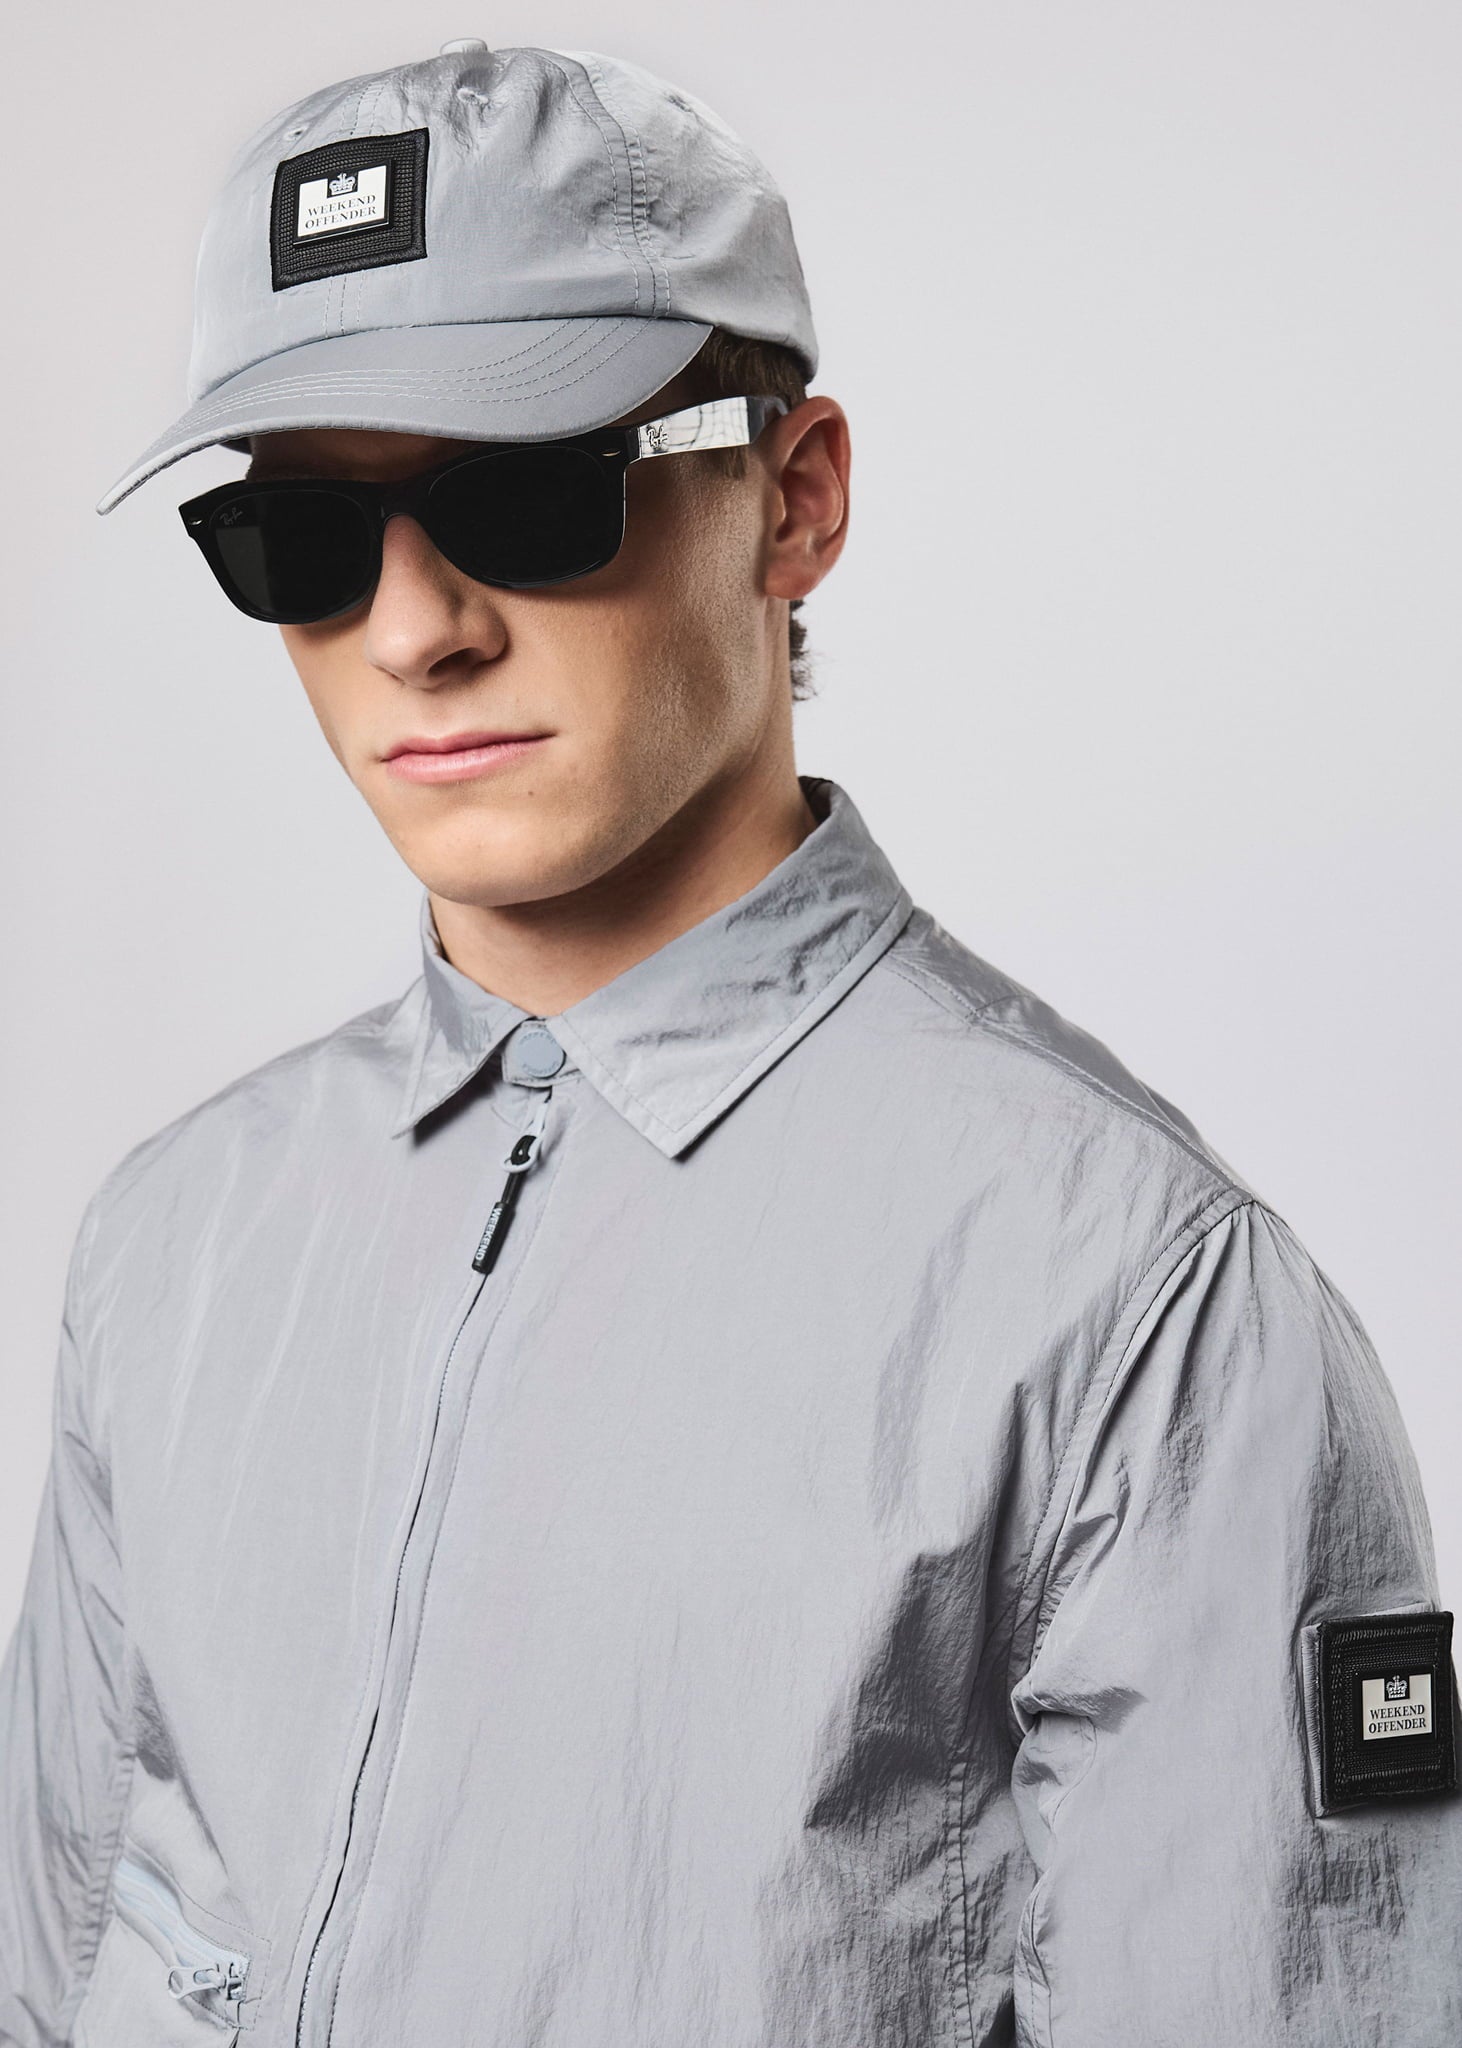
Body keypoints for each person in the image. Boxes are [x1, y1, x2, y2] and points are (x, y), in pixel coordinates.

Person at [1, 37, 1457, 2048]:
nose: (413, 631)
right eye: (301, 541)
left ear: (795, 498)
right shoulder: (174, 1245)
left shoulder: (1136, 1303)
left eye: (525, 494)